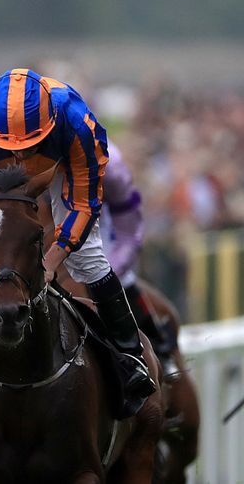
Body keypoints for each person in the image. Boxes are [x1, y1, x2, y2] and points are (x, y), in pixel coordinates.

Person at [0, 68, 157, 432]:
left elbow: (85, 206)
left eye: (29, 144)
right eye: (14, 147)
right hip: (4, 167)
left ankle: (130, 361)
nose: (21, 155)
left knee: (88, 259)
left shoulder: (76, 123)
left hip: (62, 163)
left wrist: (52, 260)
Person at [99, 143, 175, 361]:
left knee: (108, 271)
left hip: (97, 226)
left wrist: (113, 269)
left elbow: (130, 231)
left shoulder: (109, 161)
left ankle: (159, 345)